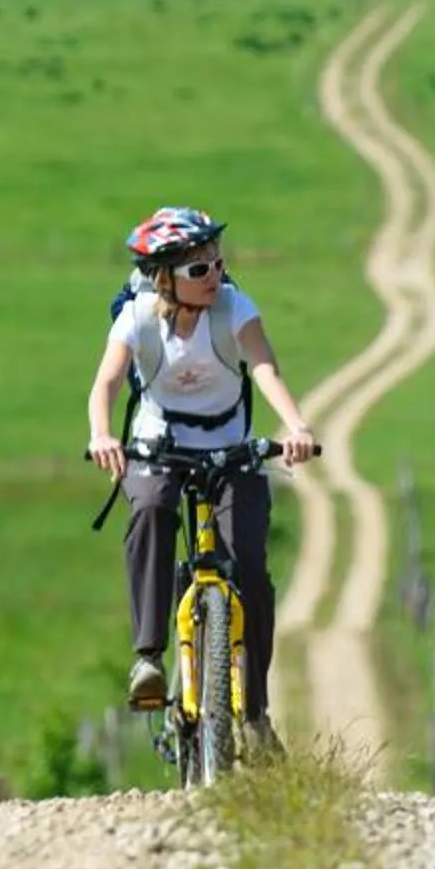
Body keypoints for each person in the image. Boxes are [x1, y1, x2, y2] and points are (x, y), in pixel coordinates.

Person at [83, 207, 318, 753]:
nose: (214, 274)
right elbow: (107, 383)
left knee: (251, 570)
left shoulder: (233, 308)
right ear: (164, 277)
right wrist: (102, 435)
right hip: (159, 442)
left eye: (217, 262)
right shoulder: (137, 317)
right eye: (198, 269)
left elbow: (265, 369)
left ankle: (255, 714)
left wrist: (297, 426)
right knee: (150, 510)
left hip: (230, 445)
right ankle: (148, 659)